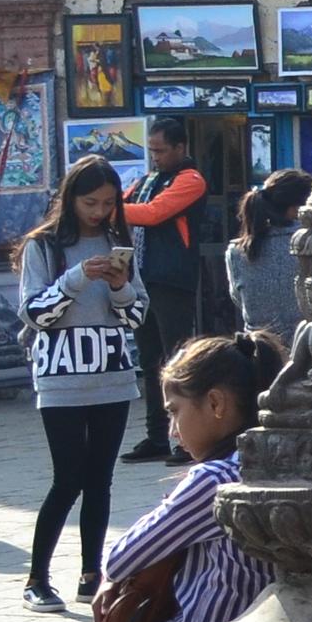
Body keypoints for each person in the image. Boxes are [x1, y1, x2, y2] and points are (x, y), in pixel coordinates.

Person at [49, 331, 281, 622]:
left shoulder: (214, 479)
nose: (173, 430)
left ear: (215, 404)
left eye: (174, 412)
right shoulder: (278, 458)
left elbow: (121, 559)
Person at [18, 157, 147, 612]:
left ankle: (91, 573)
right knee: (67, 478)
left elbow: (135, 316)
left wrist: (119, 286)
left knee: (101, 480)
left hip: (113, 377)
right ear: (70, 198)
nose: (99, 211)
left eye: (108, 203)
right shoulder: (44, 247)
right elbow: (35, 313)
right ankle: (37, 578)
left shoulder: (120, 243)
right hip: (61, 380)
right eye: (90, 202)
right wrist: (76, 278)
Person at [121, 120, 216, 462]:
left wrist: (103, 208)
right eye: (152, 151)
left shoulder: (191, 180)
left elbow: (153, 213)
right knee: (149, 361)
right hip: (142, 280)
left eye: (161, 151)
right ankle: (156, 437)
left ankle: (186, 440)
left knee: (177, 361)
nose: (155, 157)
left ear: (180, 148)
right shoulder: (147, 181)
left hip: (171, 279)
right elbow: (127, 203)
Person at [228, 168, 312, 341]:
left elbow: (238, 298)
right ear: (296, 209)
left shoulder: (237, 251)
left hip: (259, 353)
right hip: (308, 350)